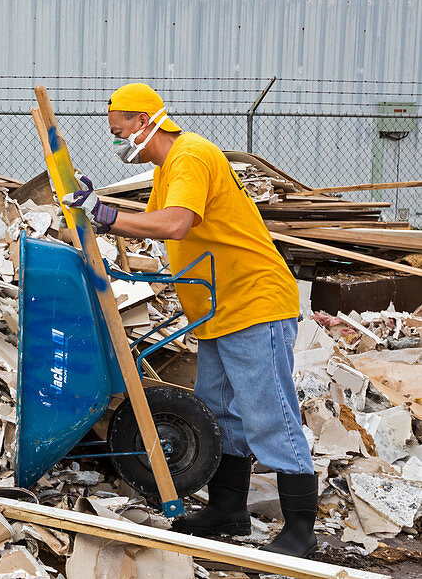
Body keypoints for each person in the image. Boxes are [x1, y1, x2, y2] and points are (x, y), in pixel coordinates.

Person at [62, 82, 318, 558]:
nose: (117, 143)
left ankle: (301, 530)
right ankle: (228, 510)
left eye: (119, 132)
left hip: (252, 301)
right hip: (219, 306)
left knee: (269, 415)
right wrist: (100, 212)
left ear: (144, 121)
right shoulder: (168, 166)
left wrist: (107, 214)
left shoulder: (191, 155)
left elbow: (177, 223)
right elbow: (154, 219)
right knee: (221, 412)